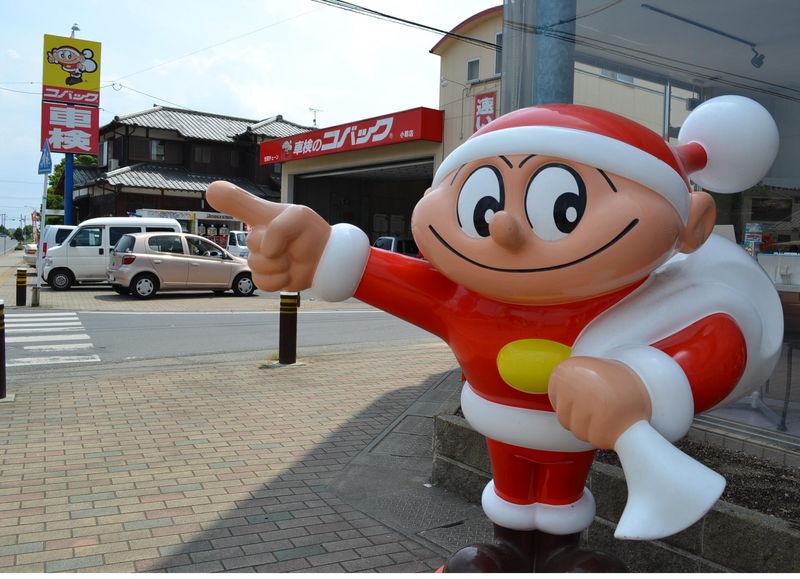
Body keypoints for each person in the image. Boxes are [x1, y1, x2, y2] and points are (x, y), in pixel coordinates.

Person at [207, 95, 782, 572]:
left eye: (562, 206)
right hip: (500, 425)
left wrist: (646, 384)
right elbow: (375, 273)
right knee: (511, 494)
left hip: (569, 438)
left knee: (559, 495)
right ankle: (508, 549)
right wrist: (321, 252)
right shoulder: (463, 297)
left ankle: (560, 553)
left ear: (692, 225)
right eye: (482, 204)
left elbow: (720, 345)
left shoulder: (654, 305)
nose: (505, 226)